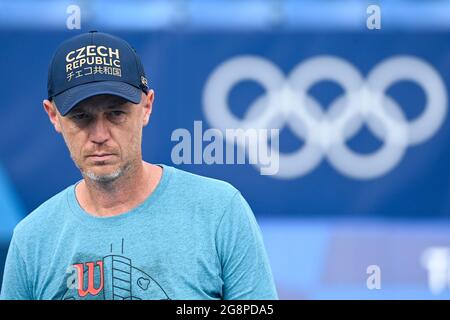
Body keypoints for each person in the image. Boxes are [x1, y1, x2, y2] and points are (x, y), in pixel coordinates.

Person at [0, 31, 278, 300]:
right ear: (53, 115)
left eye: (116, 113)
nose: (99, 135)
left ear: (146, 107)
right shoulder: (32, 240)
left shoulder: (219, 210)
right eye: (81, 116)